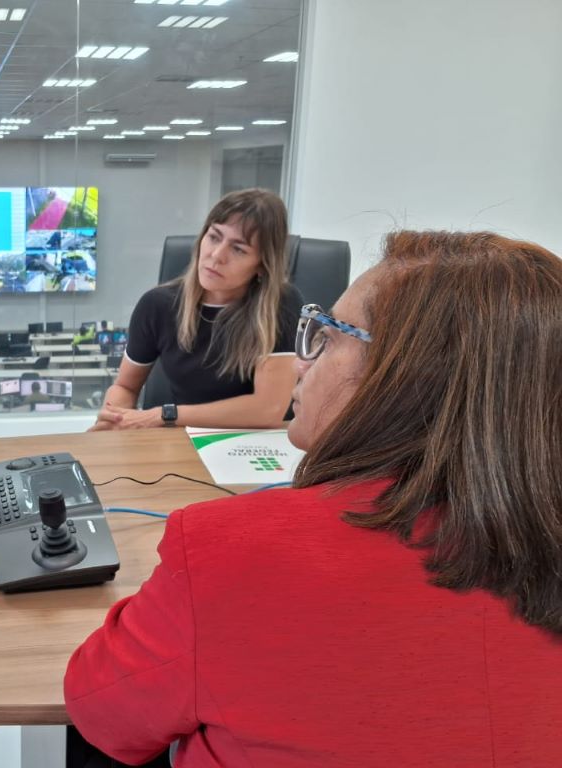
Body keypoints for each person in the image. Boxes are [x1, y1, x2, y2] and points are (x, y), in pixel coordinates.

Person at [65, 230, 562, 766]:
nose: (301, 364)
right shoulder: (162, 306)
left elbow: (103, 715)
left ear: (403, 376)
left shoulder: (226, 551)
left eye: (328, 336)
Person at [91, 188, 300, 431]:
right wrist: (113, 420)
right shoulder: (157, 305)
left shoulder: (280, 304)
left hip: (257, 442)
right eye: (214, 237)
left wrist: (164, 415)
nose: (216, 255)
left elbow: (268, 410)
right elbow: (126, 387)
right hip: (186, 440)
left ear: (262, 265)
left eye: (238, 249)